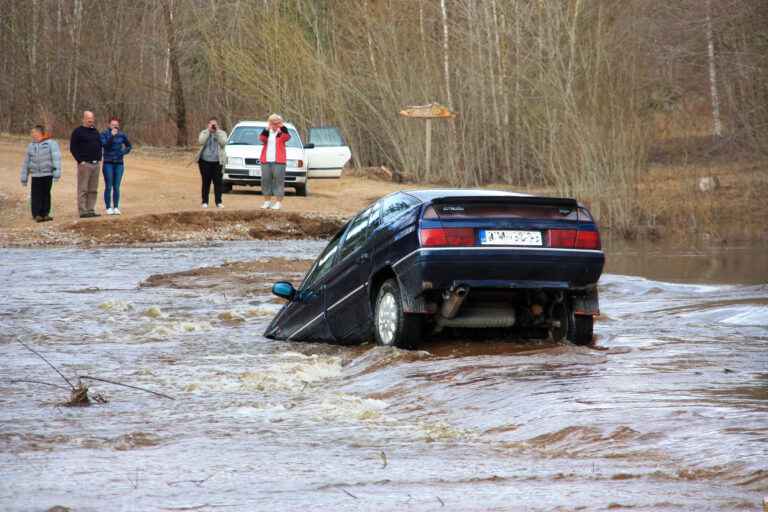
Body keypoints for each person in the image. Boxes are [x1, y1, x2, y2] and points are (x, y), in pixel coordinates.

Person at [21, 125, 62, 223]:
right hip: (35, 174)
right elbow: (26, 162)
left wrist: (57, 174)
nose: (31, 134)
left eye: (32, 132)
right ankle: (36, 214)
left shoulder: (51, 143)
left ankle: (45, 213)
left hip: (47, 173)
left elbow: (56, 159)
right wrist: (24, 178)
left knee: (46, 194)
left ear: (38, 133)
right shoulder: (32, 145)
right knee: (36, 195)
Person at [69, 111, 102, 218]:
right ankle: (83, 211)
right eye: (88, 118)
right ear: (83, 119)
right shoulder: (78, 131)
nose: (90, 120)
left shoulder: (95, 131)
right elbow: (73, 148)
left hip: (96, 164)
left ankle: (90, 210)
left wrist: (99, 158)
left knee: (93, 189)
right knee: (83, 188)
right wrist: (80, 161)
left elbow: (100, 144)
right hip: (85, 164)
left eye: (91, 118)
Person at [100, 116, 132, 215]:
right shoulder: (105, 134)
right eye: (113, 125)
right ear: (109, 125)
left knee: (116, 186)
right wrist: (111, 136)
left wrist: (123, 153)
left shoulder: (122, 135)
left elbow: (129, 145)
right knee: (108, 186)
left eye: (117, 125)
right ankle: (108, 207)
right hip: (108, 162)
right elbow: (104, 145)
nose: (115, 126)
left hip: (119, 163)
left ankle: (116, 206)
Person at [193, 116, 227, 208]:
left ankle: (218, 201)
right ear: (208, 125)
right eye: (211, 125)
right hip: (205, 161)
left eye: (215, 125)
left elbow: (224, 143)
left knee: (218, 182)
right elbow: (201, 141)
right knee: (206, 181)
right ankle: (205, 201)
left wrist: (217, 133)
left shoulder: (222, 133)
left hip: (217, 161)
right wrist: (208, 132)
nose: (213, 126)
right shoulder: (204, 132)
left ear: (218, 125)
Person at [259, 114, 291, 210]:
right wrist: (267, 129)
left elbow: (287, 137)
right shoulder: (267, 132)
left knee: (278, 181)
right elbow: (262, 139)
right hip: (266, 160)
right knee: (266, 180)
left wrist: (282, 126)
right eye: (273, 122)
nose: (275, 124)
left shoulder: (281, 133)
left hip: (279, 161)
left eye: (276, 122)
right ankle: (267, 201)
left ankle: (278, 202)